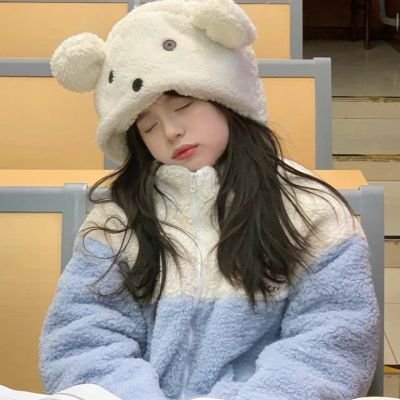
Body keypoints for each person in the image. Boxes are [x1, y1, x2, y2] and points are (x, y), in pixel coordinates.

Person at [40, 0, 380, 399]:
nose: (170, 131)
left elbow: (333, 340)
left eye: (183, 106)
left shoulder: (311, 209)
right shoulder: (116, 221)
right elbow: (82, 338)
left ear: (226, 98)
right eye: (148, 127)